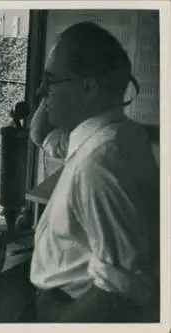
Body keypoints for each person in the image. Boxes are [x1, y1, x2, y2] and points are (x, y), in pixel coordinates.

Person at [28, 22, 159, 322]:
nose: (41, 93)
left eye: (49, 81)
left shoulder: (98, 165)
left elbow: (122, 289)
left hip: (71, 310)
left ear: (88, 87)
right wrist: (50, 93)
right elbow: (42, 137)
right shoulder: (117, 134)